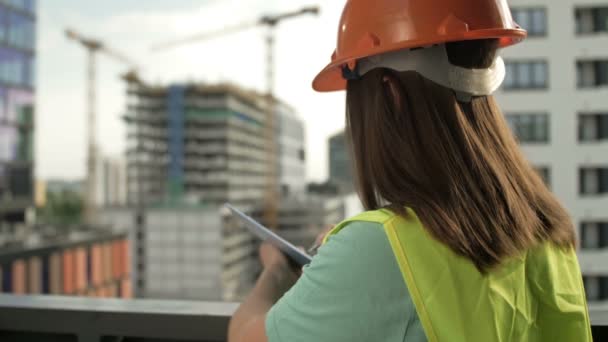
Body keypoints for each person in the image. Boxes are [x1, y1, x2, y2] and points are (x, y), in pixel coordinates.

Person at [228, 0, 593, 341]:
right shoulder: (547, 228)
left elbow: (245, 333)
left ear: (390, 93)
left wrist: (275, 271)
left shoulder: (378, 249)